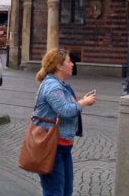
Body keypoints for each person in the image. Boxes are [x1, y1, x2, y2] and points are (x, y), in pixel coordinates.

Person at [33, 49, 97, 196]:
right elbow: (65, 110)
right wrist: (83, 102)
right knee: (55, 192)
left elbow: (67, 108)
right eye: (69, 61)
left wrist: (81, 101)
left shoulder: (61, 85)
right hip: (52, 147)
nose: (72, 64)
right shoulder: (52, 86)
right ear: (59, 66)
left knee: (65, 191)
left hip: (63, 146)